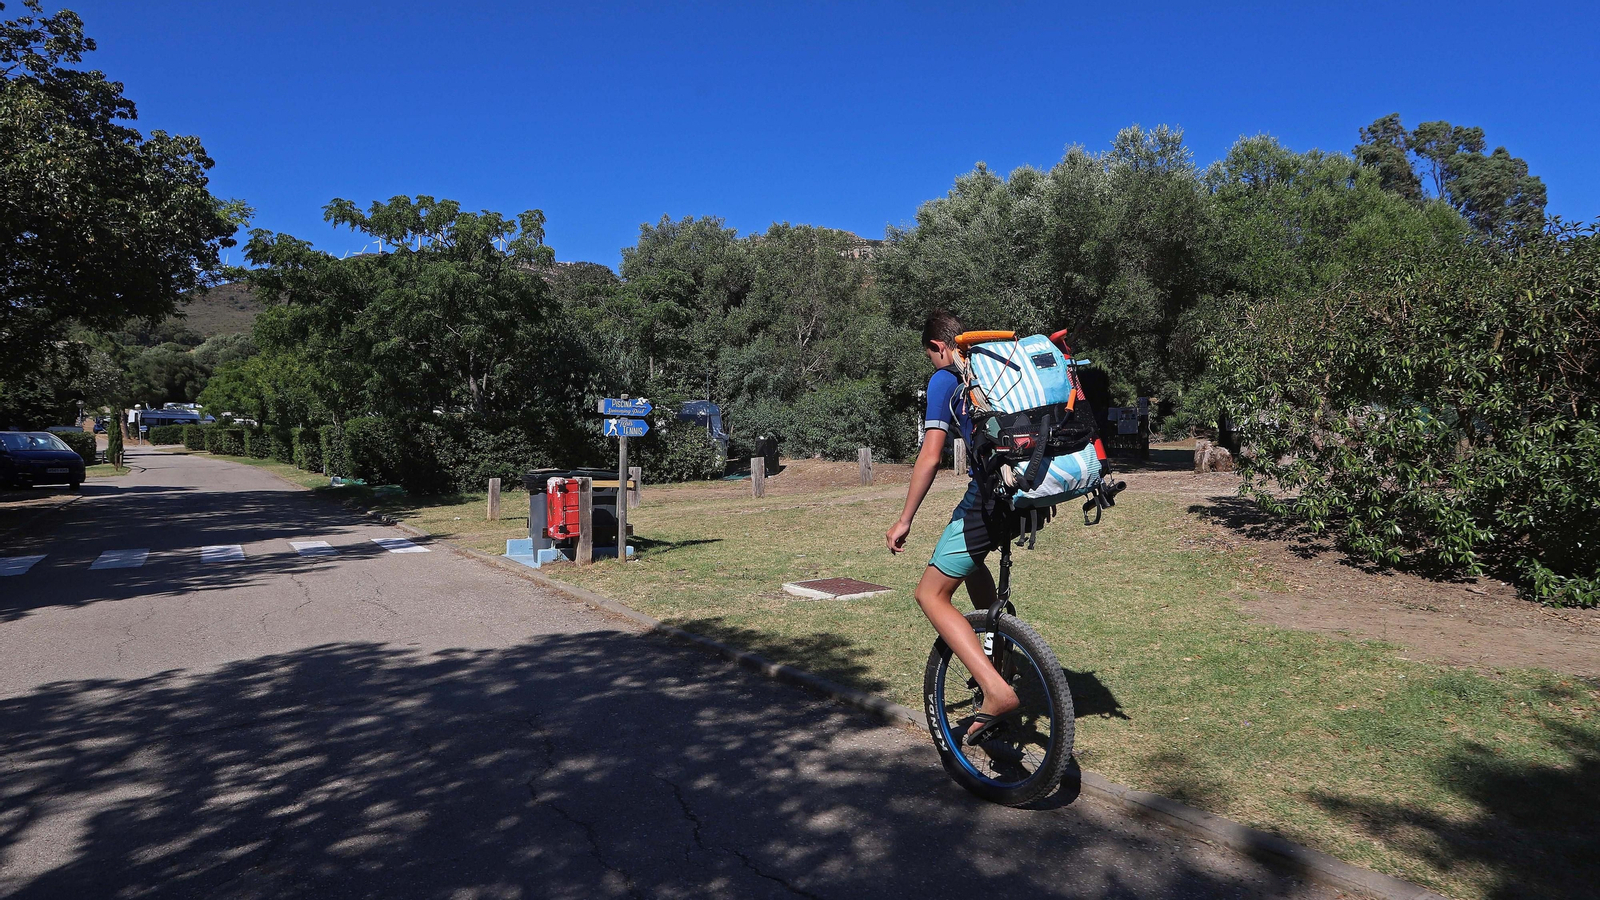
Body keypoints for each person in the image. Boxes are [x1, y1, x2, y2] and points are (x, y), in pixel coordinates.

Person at [886, 309, 1018, 744]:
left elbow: (929, 456)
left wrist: (904, 519)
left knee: (930, 593)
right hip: (1021, 492)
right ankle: (1000, 655)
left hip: (989, 494)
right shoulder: (994, 368)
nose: (933, 363)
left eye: (931, 356)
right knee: (969, 561)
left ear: (939, 347)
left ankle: (996, 688)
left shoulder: (945, 379)